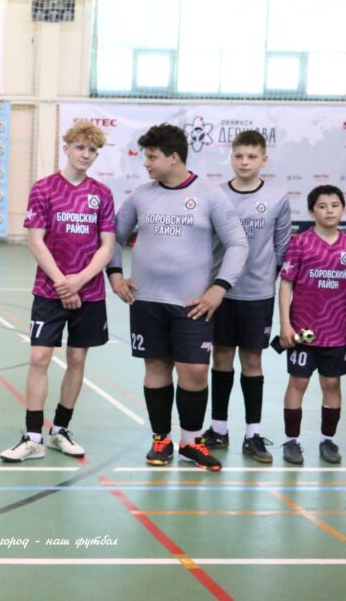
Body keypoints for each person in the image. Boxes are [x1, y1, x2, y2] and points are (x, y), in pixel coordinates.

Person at [108, 124, 247, 471]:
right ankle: (161, 440)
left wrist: (219, 288)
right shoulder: (141, 196)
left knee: (195, 371)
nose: (146, 163)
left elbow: (237, 243)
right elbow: (112, 237)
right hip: (147, 300)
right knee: (156, 367)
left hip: (193, 303)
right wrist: (115, 275)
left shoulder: (210, 194)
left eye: (152, 157)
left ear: (173, 157)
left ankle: (190, 441)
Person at [1, 122, 115, 463]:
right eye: (80, 147)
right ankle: (33, 436)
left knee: (77, 358)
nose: (86, 154)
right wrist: (63, 283)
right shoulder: (44, 189)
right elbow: (36, 241)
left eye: (92, 150)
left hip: (89, 292)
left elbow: (107, 246)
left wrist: (80, 280)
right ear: (66, 148)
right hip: (49, 291)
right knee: (40, 357)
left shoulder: (102, 194)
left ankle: (60, 431)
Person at [201, 130, 291, 463]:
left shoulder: (278, 198)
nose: (244, 162)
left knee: (253, 361)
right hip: (221, 294)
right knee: (221, 357)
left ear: (264, 159)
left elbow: (281, 248)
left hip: (257, 295)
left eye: (252, 156)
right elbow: (207, 244)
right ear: (231, 158)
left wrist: (265, 278)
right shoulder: (216, 194)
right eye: (239, 156)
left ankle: (253, 435)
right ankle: (219, 429)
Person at [278, 185, 346, 465]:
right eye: (322, 206)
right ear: (310, 211)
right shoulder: (301, 243)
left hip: (337, 332)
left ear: (343, 209)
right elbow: (286, 284)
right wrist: (285, 324)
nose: (329, 210)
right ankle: (291, 441)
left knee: (331, 383)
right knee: (299, 382)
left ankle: (327, 440)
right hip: (303, 331)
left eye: (335, 205)